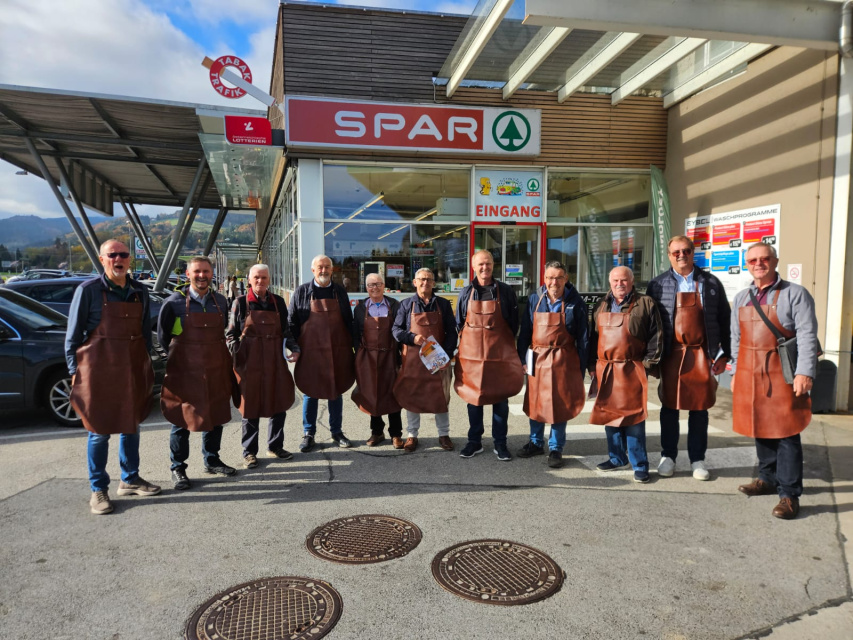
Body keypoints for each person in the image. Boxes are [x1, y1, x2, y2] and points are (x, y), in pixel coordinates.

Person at [65, 239, 161, 515]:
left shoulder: (140, 291)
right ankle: (98, 489)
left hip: (131, 369)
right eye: (112, 255)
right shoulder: (88, 291)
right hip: (98, 372)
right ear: (102, 259)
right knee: (99, 431)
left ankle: (130, 479)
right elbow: (72, 337)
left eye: (123, 254)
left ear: (129, 259)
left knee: (131, 425)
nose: (118, 259)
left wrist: (146, 365)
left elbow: (144, 334)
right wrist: (74, 373)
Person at [732, 242, 818, 520]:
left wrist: (805, 372)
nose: (759, 264)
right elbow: (736, 339)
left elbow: (807, 335)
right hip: (750, 373)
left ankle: (789, 494)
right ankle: (767, 479)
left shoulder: (796, 294)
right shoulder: (742, 297)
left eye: (765, 258)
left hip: (784, 374)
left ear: (775, 261)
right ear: (747, 265)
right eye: (753, 260)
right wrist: (735, 373)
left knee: (787, 432)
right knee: (760, 425)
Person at [646, 236, 731, 481]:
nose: (681, 255)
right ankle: (668, 456)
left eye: (686, 251)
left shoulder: (710, 283)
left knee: (699, 407)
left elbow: (724, 320)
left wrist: (725, 354)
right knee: (669, 407)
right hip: (671, 353)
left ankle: (697, 459)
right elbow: (651, 324)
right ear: (669, 255)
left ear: (693, 253)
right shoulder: (657, 284)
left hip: (702, 352)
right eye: (676, 252)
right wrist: (651, 358)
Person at [158, 256, 237, 490]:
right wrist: (179, 362)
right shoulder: (173, 303)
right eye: (197, 272)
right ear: (188, 275)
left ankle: (212, 460)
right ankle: (178, 467)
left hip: (214, 369)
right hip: (184, 373)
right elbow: (163, 337)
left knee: (215, 415)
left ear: (212, 274)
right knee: (181, 419)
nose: (202, 276)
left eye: (206, 271)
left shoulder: (220, 301)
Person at [589, 266, 662, 483]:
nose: (619, 284)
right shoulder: (601, 305)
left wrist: (646, 365)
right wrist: (592, 365)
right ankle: (617, 458)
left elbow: (656, 336)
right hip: (606, 368)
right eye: (615, 281)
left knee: (634, 419)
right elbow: (593, 337)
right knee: (610, 416)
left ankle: (640, 464)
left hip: (632, 368)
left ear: (632, 281)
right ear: (610, 283)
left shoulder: (645, 303)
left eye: (624, 280)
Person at [226, 264, 300, 468]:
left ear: (269, 279)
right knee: (250, 406)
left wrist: (294, 349)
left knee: (279, 402)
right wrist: (239, 355)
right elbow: (230, 335)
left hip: (275, 361)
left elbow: (286, 331)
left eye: (264, 277)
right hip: (249, 365)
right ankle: (249, 452)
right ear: (249, 280)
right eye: (256, 277)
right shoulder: (240, 303)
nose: (260, 281)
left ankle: (275, 446)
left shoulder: (278, 302)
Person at [516, 261, 589, 468]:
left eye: (558, 278)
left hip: (563, 359)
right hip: (537, 358)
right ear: (544, 278)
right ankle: (535, 442)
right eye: (549, 278)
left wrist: (581, 368)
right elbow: (525, 332)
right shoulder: (535, 298)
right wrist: (522, 359)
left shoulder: (576, 302)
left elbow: (584, 338)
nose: (553, 282)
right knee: (536, 402)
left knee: (559, 403)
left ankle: (556, 448)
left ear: (566, 279)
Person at [454, 250, 523, 461]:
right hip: (472, 359)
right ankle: (474, 441)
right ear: (473, 267)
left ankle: (500, 443)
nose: (485, 267)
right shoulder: (466, 293)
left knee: (500, 400)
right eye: (481, 264)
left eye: (488, 263)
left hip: (499, 358)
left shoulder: (505, 291)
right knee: (473, 400)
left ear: (493, 265)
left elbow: (513, 324)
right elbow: (459, 324)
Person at [289, 255, 355, 452]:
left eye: (327, 267)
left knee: (336, 390)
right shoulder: (302, 292)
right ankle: (308, 433)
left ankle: (337, 432)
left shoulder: (340, 292)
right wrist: (294, 348)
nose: (324, 270)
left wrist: (354, 348)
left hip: (337, 351)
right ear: (313, 270)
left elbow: (348, 322)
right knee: (310, 392)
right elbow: (292, 322)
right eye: (320, 267)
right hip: (310, 352)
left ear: (332, 270)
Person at [391, 267, 458, 452]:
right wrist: (412, 338)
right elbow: (396, 331)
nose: (425, 282)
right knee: (412, 397)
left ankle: (443, 434)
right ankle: (412, 435)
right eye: (421, 279)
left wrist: (446, 355)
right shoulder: (406, 305)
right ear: (415, 282)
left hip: (438, 360)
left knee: (441, 397)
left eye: (429, 279)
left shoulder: (443, 305)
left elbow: (452, 332)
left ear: (433, 283)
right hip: (413, 362)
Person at [352, 272, 403, 447]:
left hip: (390, 356)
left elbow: (400, 330)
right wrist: (359, 356)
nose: (375, 288)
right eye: (371, 285)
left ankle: (396, 433)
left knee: (393, 394)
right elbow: (355, 334)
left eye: (378, 284)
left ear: (384, 286)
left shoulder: (394, 305)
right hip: (368, 357)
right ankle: (377, 432)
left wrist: (400, 357)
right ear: (366, 288)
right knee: (372, 393)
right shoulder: (360, 308)